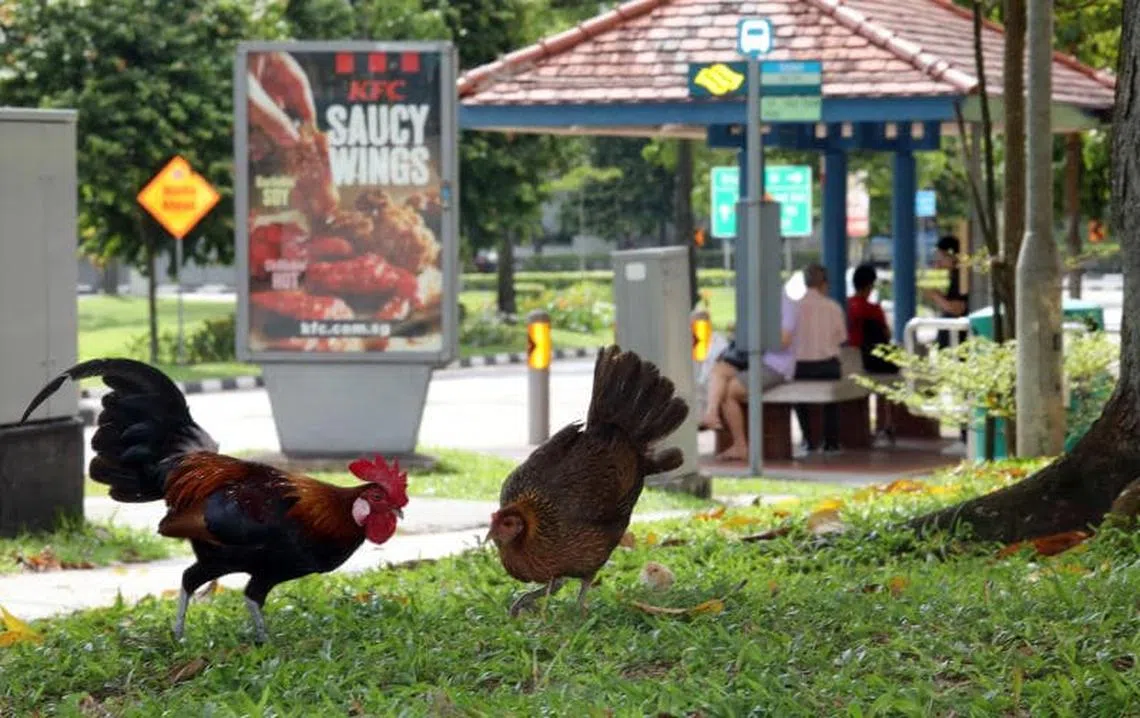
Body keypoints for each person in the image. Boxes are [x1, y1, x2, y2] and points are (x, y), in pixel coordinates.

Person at [700, 294, 798, 461]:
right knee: (719, 370)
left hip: (775, 366)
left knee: (730, 390)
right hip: (753, 359)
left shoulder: (786, 304)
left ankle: (740, 446)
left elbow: (784, 340)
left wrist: (756, 334)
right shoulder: (757, 301)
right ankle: (711, 413)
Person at [792, 263, 848, 455]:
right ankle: (831, 442)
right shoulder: (833, 308)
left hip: (800, 368)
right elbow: (841, 338)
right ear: (824, 283)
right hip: (827, 367)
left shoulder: (794, 308)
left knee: (799, 399)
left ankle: (808, 438)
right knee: (831, 402)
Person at [847, 263, 898, 375]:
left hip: (847, 358)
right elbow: (887, 335)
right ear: (870, 285)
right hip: (870, 362)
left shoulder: (845, 305)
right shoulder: (873, 309)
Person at [925, 235, 969, 349]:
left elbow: (957, 308)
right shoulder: (954, 276)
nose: (938, 261)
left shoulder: (961, 277)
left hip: (957, 344)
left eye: (941, 257)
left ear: (952, 256)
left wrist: (934, 294)